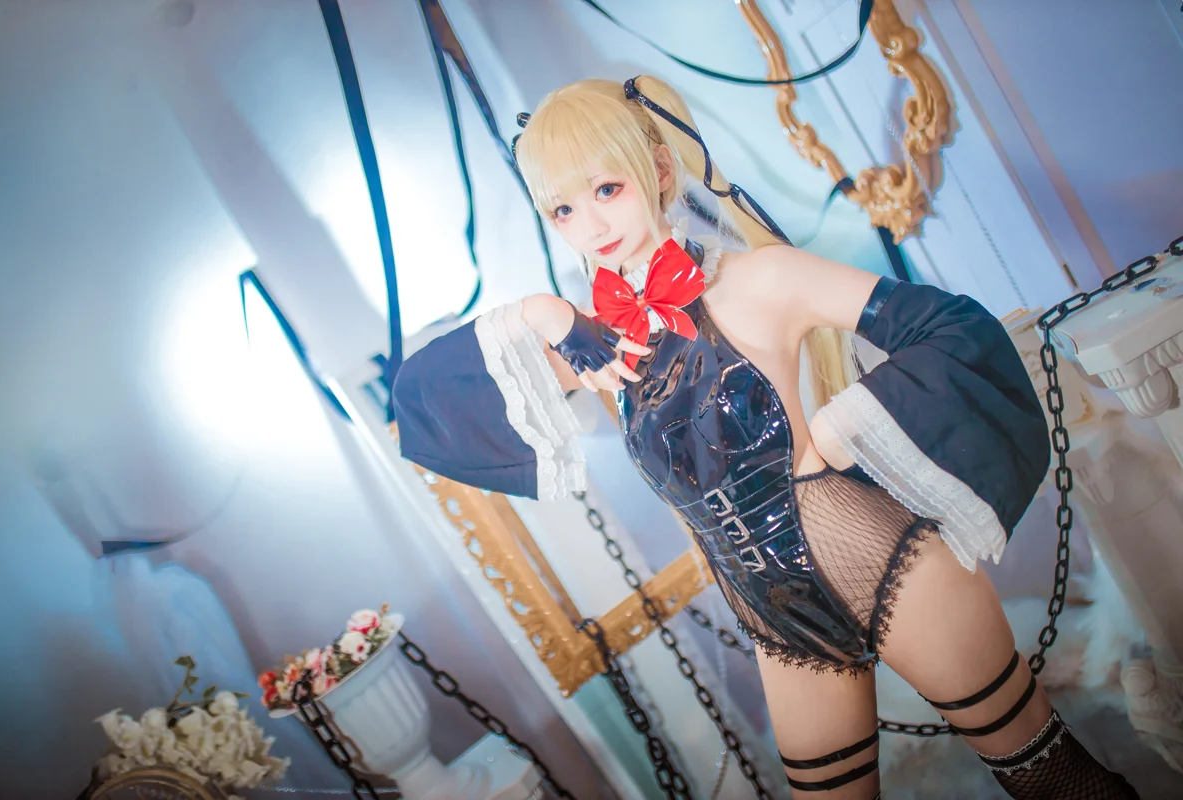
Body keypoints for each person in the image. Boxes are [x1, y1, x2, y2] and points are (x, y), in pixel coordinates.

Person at [392, 75, 1138, 798]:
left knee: (1049, 777)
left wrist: (844, 427)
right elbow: (420, 401)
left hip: (885, 565)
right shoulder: (601, 348)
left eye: (606, 189)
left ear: (658, 170)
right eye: (562, 208)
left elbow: (949, 325)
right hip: (776, 615)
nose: (589, 226)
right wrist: (540, 311)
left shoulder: (758, 279)